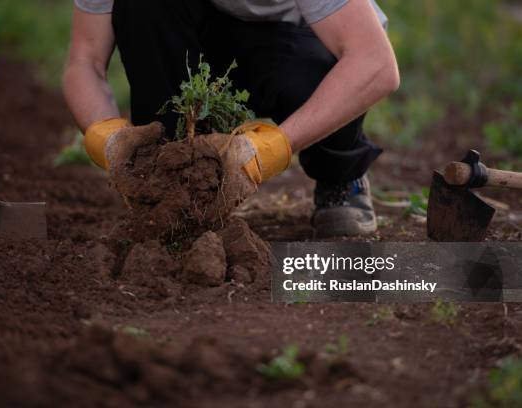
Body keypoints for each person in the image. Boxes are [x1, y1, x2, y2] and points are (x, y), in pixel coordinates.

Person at [62, 0, 399, 237]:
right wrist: (107, 139)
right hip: (200, 34)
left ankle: (340, 174)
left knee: (315, 73)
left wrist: (269, 150)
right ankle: (172, 186)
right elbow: (85, 60)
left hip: (292, 41)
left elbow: (374, 62)